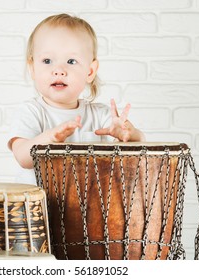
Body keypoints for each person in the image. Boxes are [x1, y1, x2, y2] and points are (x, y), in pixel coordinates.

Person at [8, 13, 145, 183]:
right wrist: (50, 139)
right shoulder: (31, 112)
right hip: (37, 208)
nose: (58, 70)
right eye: (47, 60)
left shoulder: (101, 116)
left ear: (90, 72)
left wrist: (130, 136)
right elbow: (22, 157)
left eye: (71, 61)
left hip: (89, 207)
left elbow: (138, 151)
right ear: (32, 68)